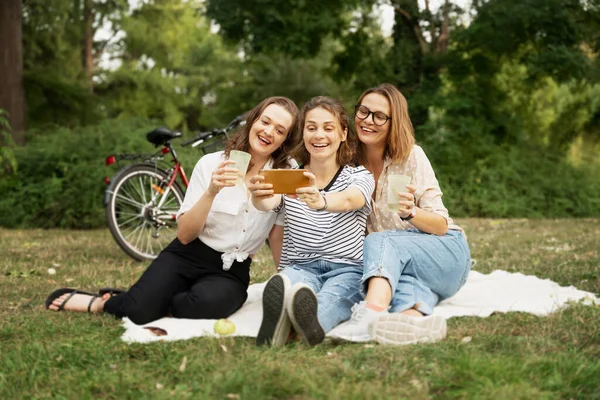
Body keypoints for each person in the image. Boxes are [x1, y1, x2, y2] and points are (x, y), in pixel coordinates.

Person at [46, 96, 299, 324]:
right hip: (188, 254)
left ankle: (153, 300)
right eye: (265, 122)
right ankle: (104, 302)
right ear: (252, 121)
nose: (269, 132)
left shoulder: (286, 172)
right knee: (138, 313)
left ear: (285, 140)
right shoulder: (211, 163)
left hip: (232, 271)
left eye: (280, 130)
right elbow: (185, 236)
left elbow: (277, 234)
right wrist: (212, 191)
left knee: (204, 305)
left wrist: (286, 284)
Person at [328, 83, 471, 345]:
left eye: (379, 116)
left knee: (381, 239)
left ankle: (370, 315)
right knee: (398, 284)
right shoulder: (348, 164)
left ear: (394, 123)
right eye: (363, 111)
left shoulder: (411, 157)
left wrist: (411, 213)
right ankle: (411, 320)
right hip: (404, 267)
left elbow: (440, 226)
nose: (368, 121)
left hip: (445, 254)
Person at [249, 96, 375, 347]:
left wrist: (322, 200)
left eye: (328, 128)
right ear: (303, 134)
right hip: (301, 266)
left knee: (336, 297)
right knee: (293, 288)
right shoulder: (289, 177)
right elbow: (269, 204)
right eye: (311, 127)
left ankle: (304, 324)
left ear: (342, 134)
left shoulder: (359, 175)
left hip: (347, 268)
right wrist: (257, 197)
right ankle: (287, 315)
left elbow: (352, 200)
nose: (319, 135)